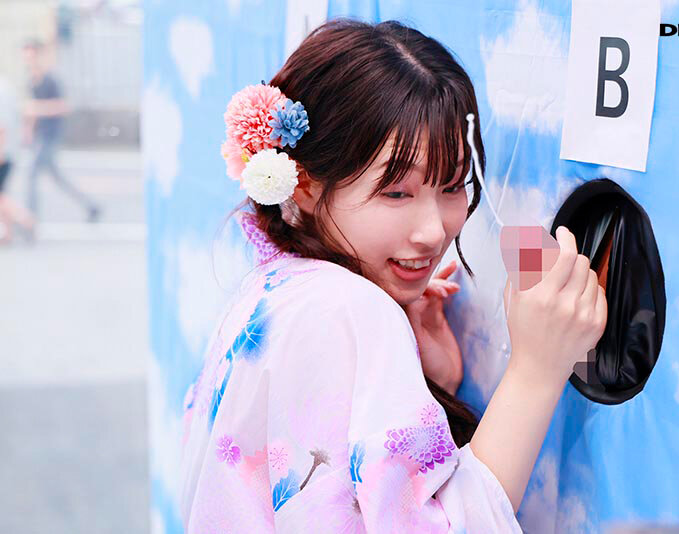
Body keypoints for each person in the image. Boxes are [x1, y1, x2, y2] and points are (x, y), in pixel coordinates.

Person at [178, 18, 607, 532]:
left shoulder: (269, 291)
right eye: (397, 193)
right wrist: (537, 369)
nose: (433, 230)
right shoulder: (349, 308)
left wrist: (430, 385)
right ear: (307, 185)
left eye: (452, 186)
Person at [21, 38, 101, 222]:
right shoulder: (31, 81)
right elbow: (32, 112)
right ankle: (91, 205)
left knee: (32, 174)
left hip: (50, 135)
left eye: (31, 57)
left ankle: (30, 218)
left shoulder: (50, 80)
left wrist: (37, 109)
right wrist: (28, 131)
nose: (29, 61)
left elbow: (62, 106)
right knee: (57, 177)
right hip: (39, 136)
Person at [0, 76, 36, 244]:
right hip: (10, 150)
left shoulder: (2, 91)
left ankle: (26, 220)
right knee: (2, 193)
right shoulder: (6, 87)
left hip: (4, 152)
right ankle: (8, 234)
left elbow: (2, 126)